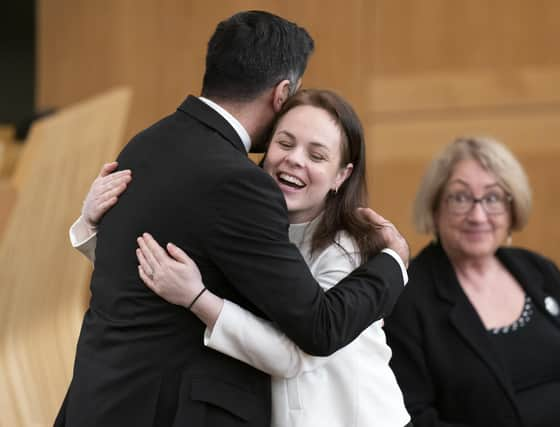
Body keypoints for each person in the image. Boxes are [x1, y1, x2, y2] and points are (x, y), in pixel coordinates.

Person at [57, 11, 409, 427]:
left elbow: (152, 273)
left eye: (317, 155)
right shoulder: (240, 183)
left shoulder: (142, 147)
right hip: (166, 408)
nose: (294, 160)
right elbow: (316, 327)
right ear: (282, 94)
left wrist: (89, 229)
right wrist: (396, 260)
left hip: (100, 399)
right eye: (286, 142)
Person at [384, 137, 560, 427]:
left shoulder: (540, 271)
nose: (478, 215)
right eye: (460, 197)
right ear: (435, 209)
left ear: (512, 209)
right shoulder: (408, 297)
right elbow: (413, 417)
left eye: (493, 198)